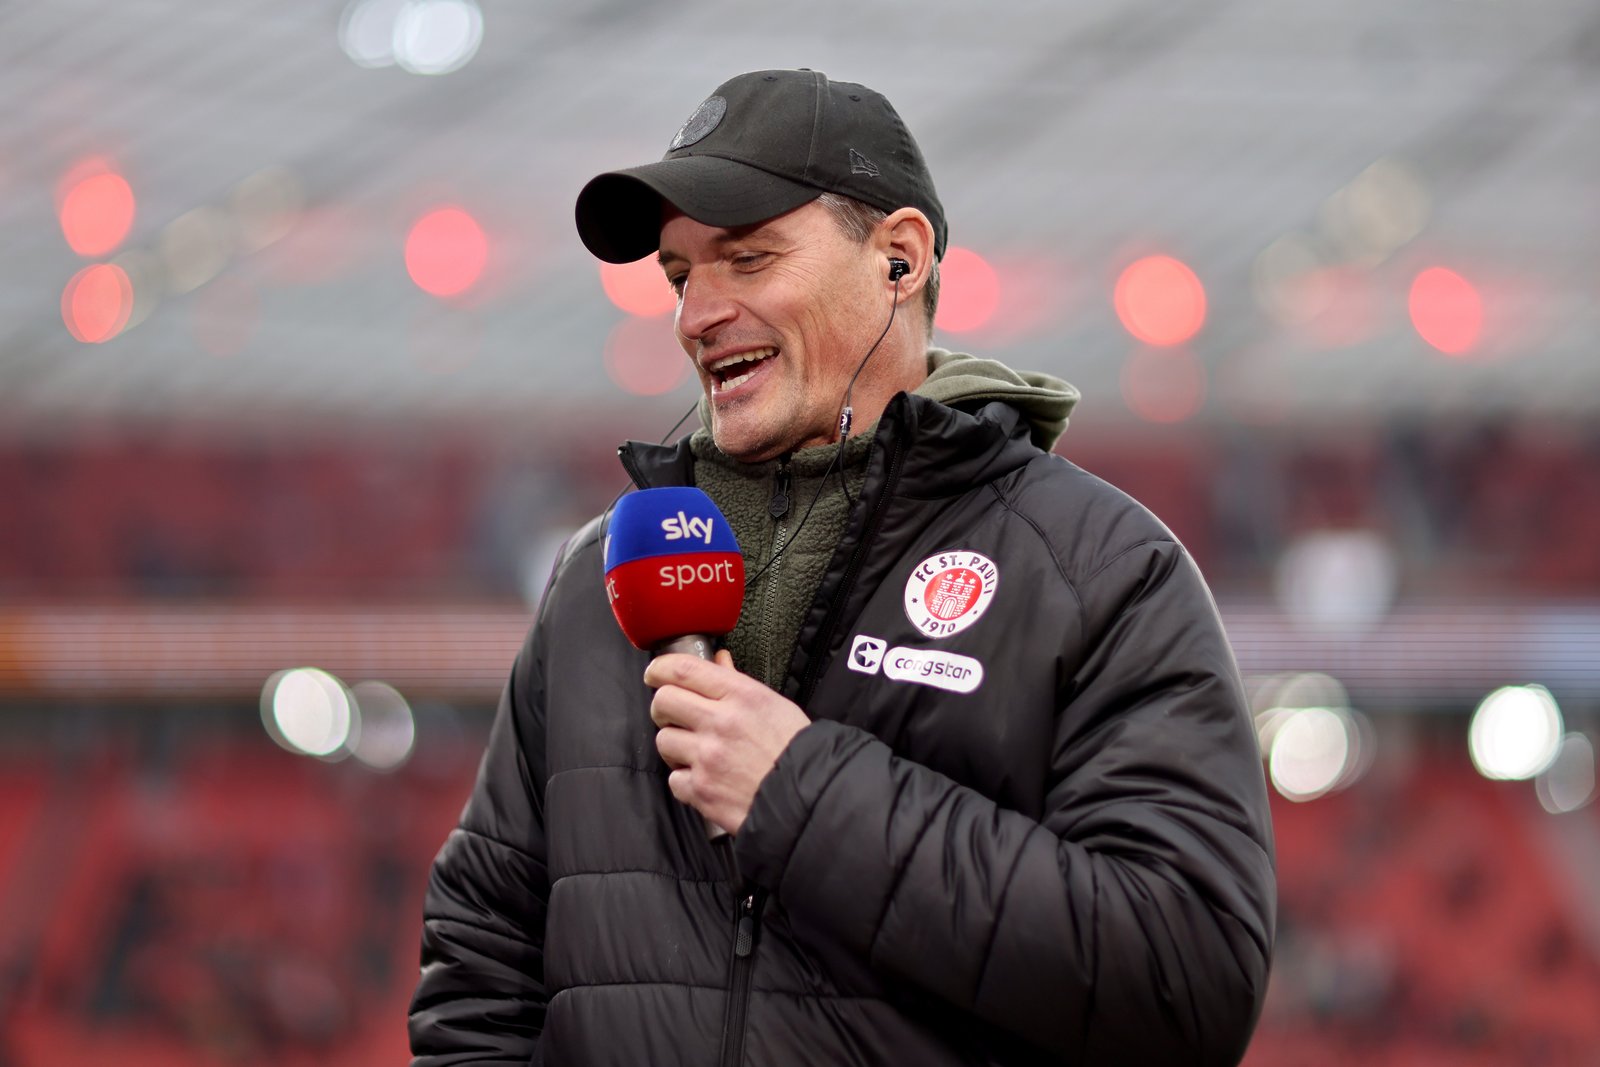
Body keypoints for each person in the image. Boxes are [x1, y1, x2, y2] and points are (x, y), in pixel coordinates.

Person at [410, 68, 1275, 1066]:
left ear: (899, 258)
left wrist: (801, 793)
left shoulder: (1099, 570)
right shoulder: (598, 577)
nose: (696, 315)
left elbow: (1186, 981)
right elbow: (480, 965)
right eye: (682, 276)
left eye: (747, 258)